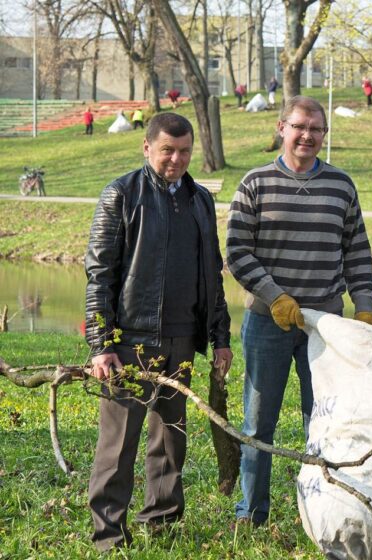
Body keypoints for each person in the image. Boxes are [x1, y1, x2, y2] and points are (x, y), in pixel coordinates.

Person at [226, 95, 372, 526]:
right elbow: (237, 252)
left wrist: (364, 307)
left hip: (327, 327)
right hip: (267, 321)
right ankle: (251, 513)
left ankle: (326, 512)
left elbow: (357, 253)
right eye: (299, 126)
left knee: (327, 423)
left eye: (316, 129)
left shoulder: (341, 185)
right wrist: (274, 295)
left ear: (324, 134)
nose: (307, 135)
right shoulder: (255, 183)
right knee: (259, 424)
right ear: (281, 128)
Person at [85, 112, 233, 552]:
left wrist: (220, 337)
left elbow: (213, 273)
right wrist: (102, 344)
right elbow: (99, 275)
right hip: (130, 342)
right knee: (118, 447)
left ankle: (162, 523)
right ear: (147, 147)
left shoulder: (200, 200)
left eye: (185, 150)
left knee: (170, 441)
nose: (176, 159)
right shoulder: (120, 195)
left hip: (183, 339)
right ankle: (108, 535)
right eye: (167, 149)